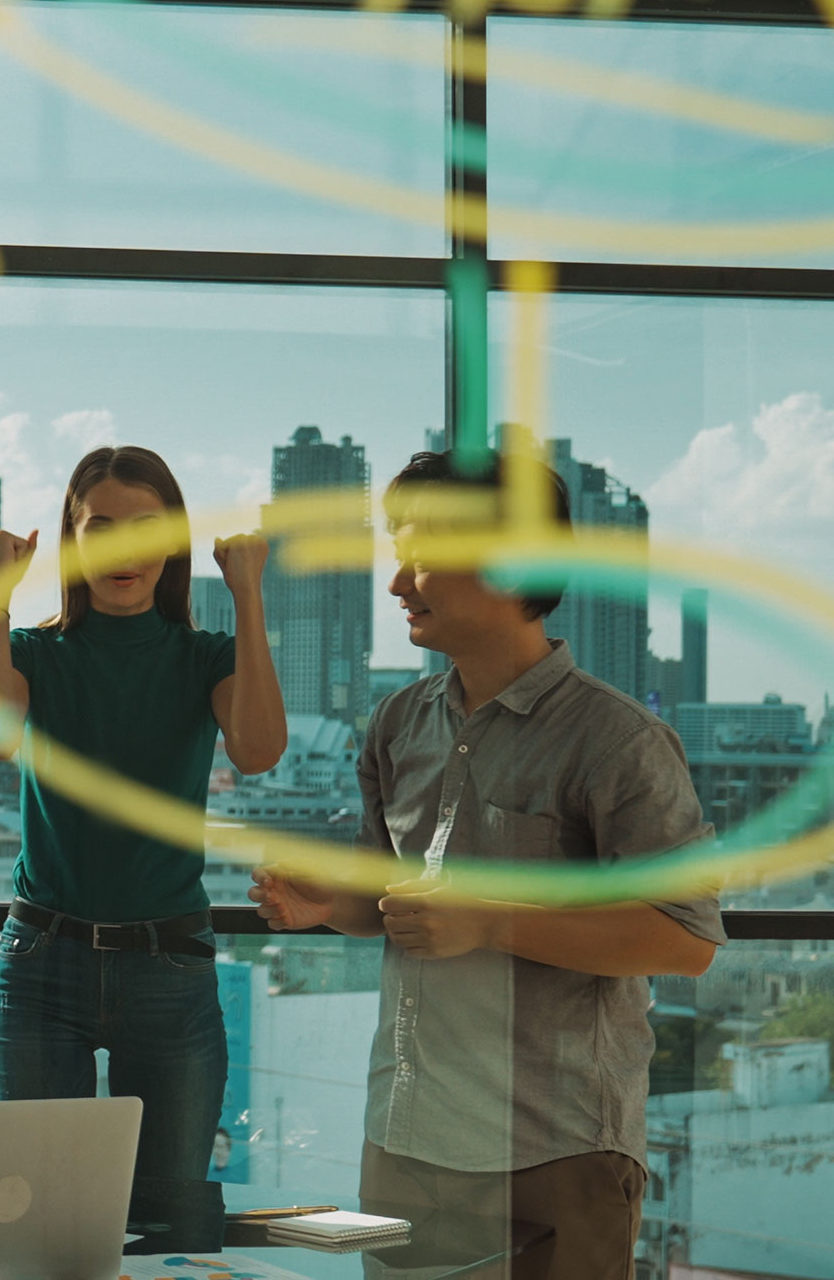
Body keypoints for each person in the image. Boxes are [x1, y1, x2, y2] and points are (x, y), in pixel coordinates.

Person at [251, 450, 722, 1280]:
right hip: (404, 1136)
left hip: (556, 1150)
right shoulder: (397, 723)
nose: (397, 583)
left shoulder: (617, 741)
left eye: (421, 553)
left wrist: (488, 920)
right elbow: (393, 903)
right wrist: (329, 906)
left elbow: (684, 940)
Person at [0, 445, 286, 1183]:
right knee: (36, 1207)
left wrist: (248, 595)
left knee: (173, 1209)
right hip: (41, 964)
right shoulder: (36, 652)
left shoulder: (205, 657)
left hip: (170, 968)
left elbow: (260, 750)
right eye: (99, 526)